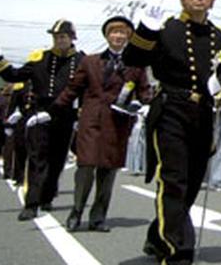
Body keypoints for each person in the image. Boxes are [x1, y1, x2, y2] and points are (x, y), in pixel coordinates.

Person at [123, 0, 221, 265]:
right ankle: (177, 252)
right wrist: (145, 31)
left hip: (203, 114)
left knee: (192, 182)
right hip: (171, 108)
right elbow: (132, 59)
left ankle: (157, 236)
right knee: (173, 180)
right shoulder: (165, 29)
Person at [54, 16, 151, 232]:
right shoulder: (90, 61)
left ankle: (98, 217)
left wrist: (145, 103)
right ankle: (76, 213)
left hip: (118, 122)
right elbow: (73, 88)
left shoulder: (135, 65)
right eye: (114, 32)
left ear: (128, 37)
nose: (118, 36)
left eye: (123, 33)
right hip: (92, 120)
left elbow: (144, 91)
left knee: (108, 171)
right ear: (107, 36)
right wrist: (54, 110)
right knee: (85, 167)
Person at [0, 19, 86, 220]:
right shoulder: (41, 58)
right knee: (38, 158)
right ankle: (31, 203)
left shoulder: (82, 60)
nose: (59, 40)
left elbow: (88, 90)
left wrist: (80, 115)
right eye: (55, 37)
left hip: (66, 116)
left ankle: (47, 197)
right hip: (39, 115)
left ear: (72, 38)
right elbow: (15, 75)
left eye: (63, 37)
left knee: (57, 160)